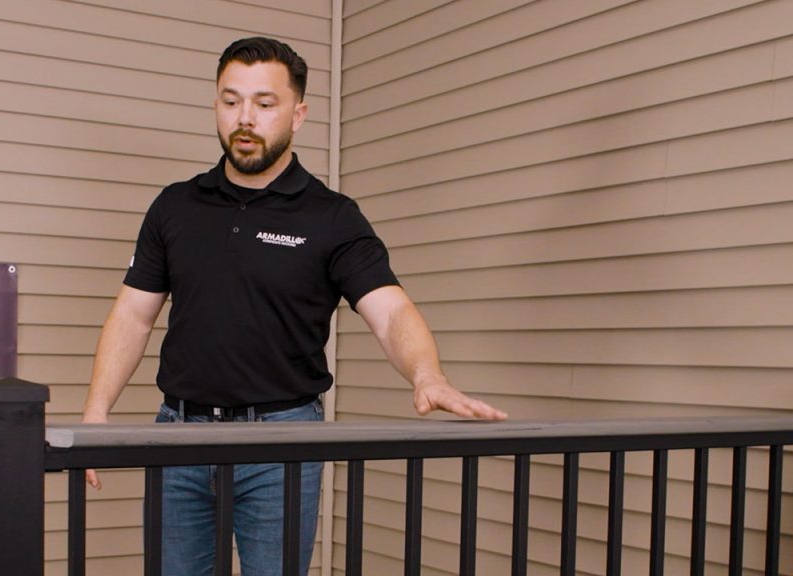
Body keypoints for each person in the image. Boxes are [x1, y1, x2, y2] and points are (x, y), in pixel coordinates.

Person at [81, 36, 507, 576]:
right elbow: (133, 316)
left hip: (281, 443)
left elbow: (390, 312)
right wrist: (96, 412)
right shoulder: (175, 206)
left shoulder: (332, 217)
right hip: (178, 437)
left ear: (297, 114)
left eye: (265, 103)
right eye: (231, 100)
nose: (245, 118)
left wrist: (427, 373)